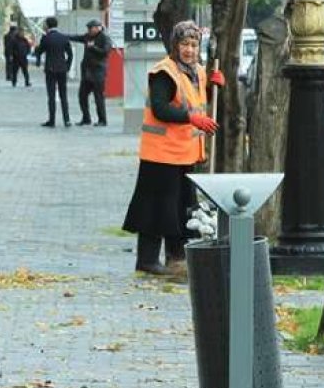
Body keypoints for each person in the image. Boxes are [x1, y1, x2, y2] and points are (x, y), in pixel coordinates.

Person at [122, 20, 225, 276]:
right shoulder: (164, 72)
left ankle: (176, 257)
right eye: (184, 44)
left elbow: (198, 101)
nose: (189, 50)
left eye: (193, 44)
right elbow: (161, 108)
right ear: (174, 45)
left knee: (181, 208)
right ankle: (147, 260)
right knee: (157, 208)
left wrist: (213, 87)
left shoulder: (197, 71)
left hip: (184, 153)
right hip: (160, 154)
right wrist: (191, 118)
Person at [69, 19, 112, 126]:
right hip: (87, 73)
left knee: (98, 97)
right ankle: (86, 118)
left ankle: (102, 120)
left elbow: (106, 52)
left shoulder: (104, 38)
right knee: (82, 96)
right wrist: (62, 36)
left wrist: (94, 48)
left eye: (91, 28)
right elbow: (76, 37)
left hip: (98, 72)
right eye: (88, 28)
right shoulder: (87, 37)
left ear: (98, 28)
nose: (89, 30)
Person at [34, 16, 74, 127]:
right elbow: (70, 54)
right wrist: (67, 67)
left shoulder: (46, 38)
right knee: (63, 95)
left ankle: (52, 120)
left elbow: (39, 51)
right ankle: (67, 120)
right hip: (62, 69)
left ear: (47, 25)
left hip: (50, 69)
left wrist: (37, 55)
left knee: (51, 96)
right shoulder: (63, 37)